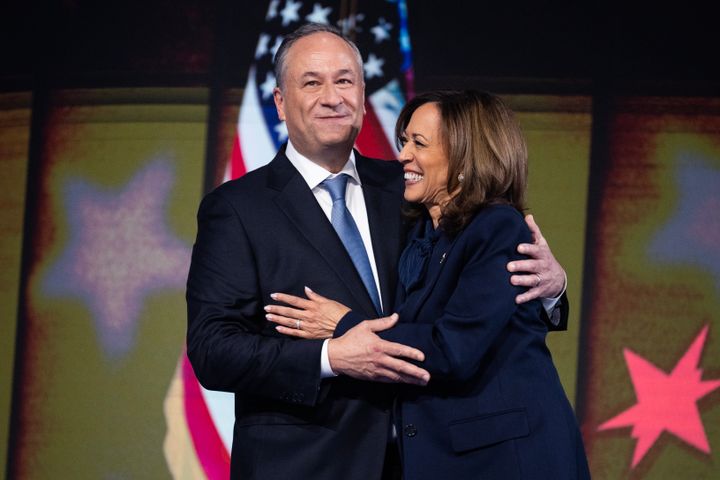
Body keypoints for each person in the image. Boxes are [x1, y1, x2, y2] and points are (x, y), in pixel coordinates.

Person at [187, 22, 569, 480]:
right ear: (280, 104)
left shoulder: (410, 187)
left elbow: (472, 283)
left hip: (425, 458)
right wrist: (330, 357)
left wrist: (551, 288)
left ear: (363, 95)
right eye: (312, 82)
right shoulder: (236, 208)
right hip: (305, 463)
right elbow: (213, 349)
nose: (333, 97)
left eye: (345, 80)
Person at [267, 90, 589, 479]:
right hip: (445, 456)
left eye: (419, 143)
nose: (402, 155)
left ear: (466, 159)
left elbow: (452, 348)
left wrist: (343, 326)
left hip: (506, 458)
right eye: (405, 141)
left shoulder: (496, 228)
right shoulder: (420, 230)